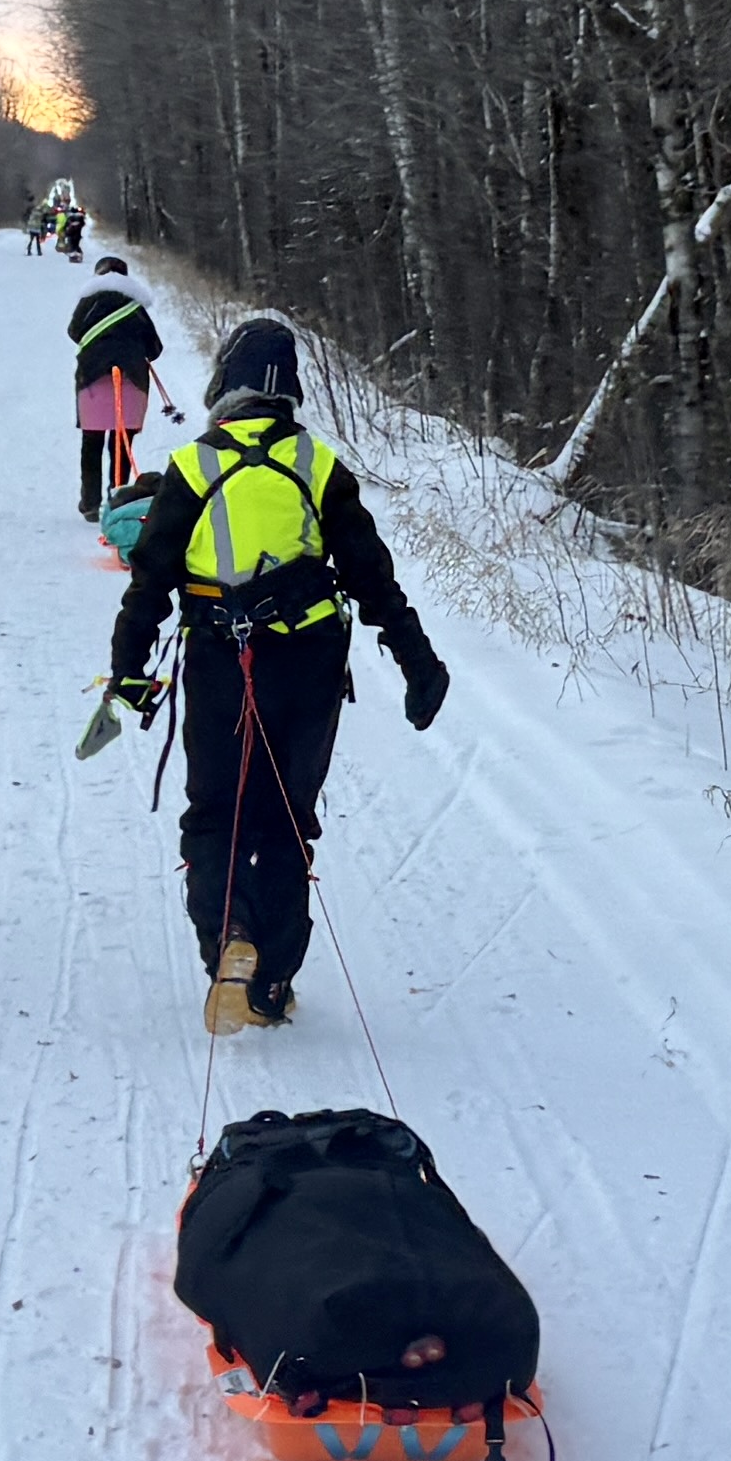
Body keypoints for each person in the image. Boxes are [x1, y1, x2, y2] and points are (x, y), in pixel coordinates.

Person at [99, 314, 449, 1032]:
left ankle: (230, 940)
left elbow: (150, 581)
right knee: (287, 818)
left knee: (216, 813)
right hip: (310, 665)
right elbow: (372, 579)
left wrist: (127, 671)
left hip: (221, 663)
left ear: (223, 385)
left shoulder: (194, 467)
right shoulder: (319, 466)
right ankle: (273, 984)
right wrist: (419, 663)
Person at [69, 258, 167, 519]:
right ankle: (118, 499)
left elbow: (74, 332)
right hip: (131, 381)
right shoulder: (135, 306)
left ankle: (90, 504)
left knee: (91, 443)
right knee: (121, 444)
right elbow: (154, 349)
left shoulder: (88, 302)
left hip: (92, 380)